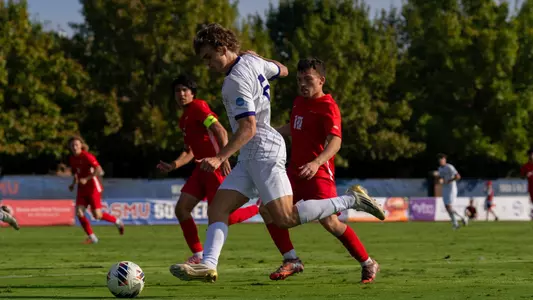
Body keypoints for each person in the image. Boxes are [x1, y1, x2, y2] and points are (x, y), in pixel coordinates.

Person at [169, 23, 384, 283]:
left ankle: (351, 200)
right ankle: (208, 265)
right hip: (251, 154)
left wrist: (220, 156)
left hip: (263, 152)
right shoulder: (252, 61)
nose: (207, 64)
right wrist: (259, 58)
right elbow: (282, 70)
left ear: (222, 48)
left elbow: (248, 128)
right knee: (217, 210)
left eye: (208, 57)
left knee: (285, 218)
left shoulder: (234, 82)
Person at [265, 58, 379, 283]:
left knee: (330, 223)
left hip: (318, 174)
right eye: (299, 80)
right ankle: (292, 260)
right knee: (267, 210)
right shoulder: (298, 102)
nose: (303, 84)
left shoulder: (328, 106)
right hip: (293, 173)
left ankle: (368, 263)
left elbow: (335, 142)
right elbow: (293, 128)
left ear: (321, 80)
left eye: (308, 79)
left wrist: (316, 162)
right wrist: (268, 132)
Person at [157, 75, 259, 264]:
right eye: (177, 91)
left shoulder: (199, 107)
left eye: (184, 90)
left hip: (214, 168)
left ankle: (257, 208)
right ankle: (197, 254)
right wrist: (173, 165)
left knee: (221, 215)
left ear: (192, 93)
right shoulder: (184, 120)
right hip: (199, 170)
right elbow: (189, 152)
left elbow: (219, 130)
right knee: (181, 209)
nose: (181, 94)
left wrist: (223, 157)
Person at [68, 136, 124, 244]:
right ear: (70, 147)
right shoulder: (72, 159)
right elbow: (76, 173)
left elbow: (99, 169)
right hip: (82, 189)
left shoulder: (87, 156)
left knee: (97, 215)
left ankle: (118, 222)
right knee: (79, 213)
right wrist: (73, 184)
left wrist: (87, 178)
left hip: (93, 188)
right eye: (72, 145)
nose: (74, 147)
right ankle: (92, 237)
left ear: (81, 145)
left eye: (76, 145)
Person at [436, 153, 467, 230]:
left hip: (452, 189)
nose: (440, 161)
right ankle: (457, 222)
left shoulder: (449, 167)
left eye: (442, 159)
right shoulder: (440, 169)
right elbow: (441, 178)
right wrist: (440, 180)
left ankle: (459, 221)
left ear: (444, 160)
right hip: (445, 189)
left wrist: (450, 180)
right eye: (439, 160)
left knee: (449, 206)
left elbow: (458, 176)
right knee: (447, 207)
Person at [520, 149, 533, 219]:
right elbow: (522, 176)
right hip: (531, 188)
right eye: (531, 154)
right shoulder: (526, 166)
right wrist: (526, 175)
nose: (532, 156)